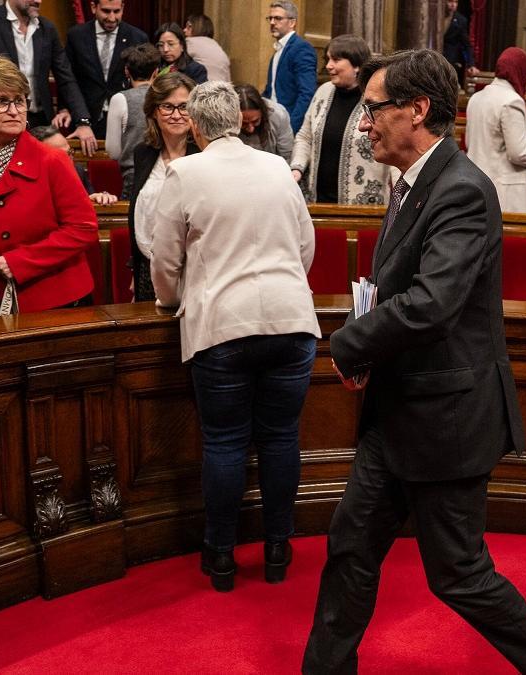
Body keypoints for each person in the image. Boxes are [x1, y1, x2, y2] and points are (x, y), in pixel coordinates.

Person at [300, 48, 526, 675]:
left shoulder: (461, 191)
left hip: (447, 419)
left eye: (374, 109)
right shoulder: (411, 182)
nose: (364, 123)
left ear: (417, 109)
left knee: (458, 574)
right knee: (350, 547)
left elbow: (432, 305)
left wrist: (351, 342)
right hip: (397, 412)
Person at [147, 80, 320, 593]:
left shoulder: (184, 171)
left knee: (224, 443)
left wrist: (169, 303)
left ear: (196, 126)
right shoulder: (274, 167)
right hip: (291, 321)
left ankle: (221, 557)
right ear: (240, 119)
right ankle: (277, 548)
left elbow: (165, 259)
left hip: (223, 325)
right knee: (281, 438)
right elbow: (305, 244)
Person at [0, 56, 98, 314]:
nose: (14, 110)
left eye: (19, 101)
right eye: (1, 102)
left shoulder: (53, 160)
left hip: (49, 298)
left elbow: (83, 228)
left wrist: (20, 262)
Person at [0, 0, 98, 156]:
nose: (38, 1)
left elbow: (66, 77)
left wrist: (83, 121)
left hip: (39, 122)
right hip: (2, 119)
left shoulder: (47, 28)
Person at [289, 34, 390, 205]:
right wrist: (296, 169)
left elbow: (393, 144)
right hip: (318, 202)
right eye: (328, 59)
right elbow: (305, 137)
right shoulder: (323, 92)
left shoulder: (378, 97)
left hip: (364, 206)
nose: (328, 66)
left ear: (357, 65)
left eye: (336, 60)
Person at [129, 72, 198, 302]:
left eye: (184, 107)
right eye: (167, 107)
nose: (176, 115)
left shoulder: (204, 155)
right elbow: (139, 211)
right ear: (154, 112)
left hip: (194, 270)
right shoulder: (144, 152)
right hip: (147, 267)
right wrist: (135, 267)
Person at [466, 47, 526, 214]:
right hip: (505, 191)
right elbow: (519, 153)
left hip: (475, 185)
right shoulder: (511, 101)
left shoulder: (476, 98)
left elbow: (469, 143)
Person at [64, 0, 148, 138]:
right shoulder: (76, 36)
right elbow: (68, 78)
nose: (112, 18)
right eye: (106, 11)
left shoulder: (138, 37)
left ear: (123, 8)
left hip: (125, 120)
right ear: (93, 7)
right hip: (86, 119)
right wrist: (69, 111)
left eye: (116, 11)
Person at [104, 43, 160, 198]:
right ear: (156, 72)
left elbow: (113, 151)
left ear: (127, 71)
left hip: (134, 176)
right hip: (165, 172)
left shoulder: (120, 99)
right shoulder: (165, 97)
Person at [31, 125, 118, 206]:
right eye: (60, 156)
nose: (69, 160)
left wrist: (102, 197)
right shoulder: (29, 180)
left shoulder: (77, 171)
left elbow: (91, 196)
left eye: (69, 153)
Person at [264, 1, 317, 133]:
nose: (272, 22)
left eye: (278, 18)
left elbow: (306, 94)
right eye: (270, 18)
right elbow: (270, 91)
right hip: (273, 123)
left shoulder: (302, 48)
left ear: (292, 22)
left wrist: (291, 128)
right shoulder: (278, 51)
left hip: (288, 125)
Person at [235, 83, 293, 161]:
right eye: (244, 123)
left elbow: (286, 156)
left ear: (263, 112)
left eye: (255, 121)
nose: (250, 128)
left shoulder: (278, 115)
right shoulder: (223, 121)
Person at [184, 14, 231, 82]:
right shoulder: (216, 45)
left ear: (198, 27)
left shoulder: (189, 42)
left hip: (203, 88)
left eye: (189, 27)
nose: (184, 30)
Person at [442, 0, 479, 87]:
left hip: (450, 62)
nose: (453, 5)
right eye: (450, 1)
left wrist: (471, 64)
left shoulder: (460, 20)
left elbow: (466, 44)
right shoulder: (434, 16)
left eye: (456, 2)